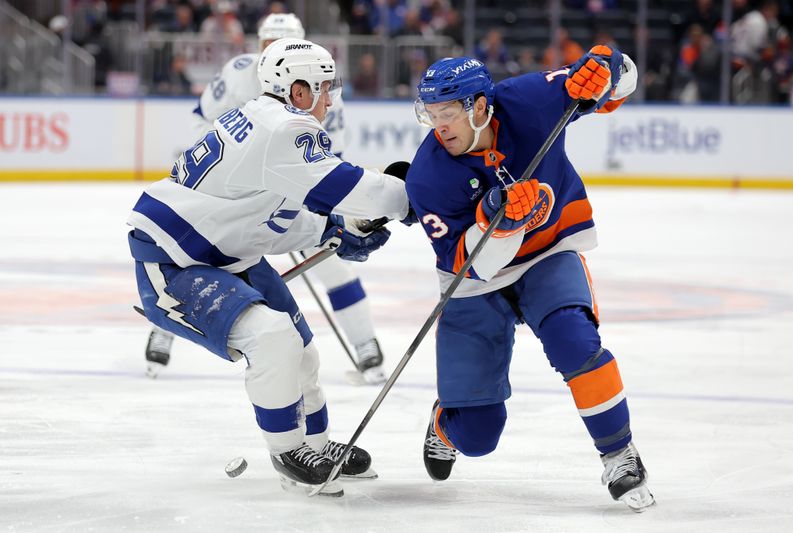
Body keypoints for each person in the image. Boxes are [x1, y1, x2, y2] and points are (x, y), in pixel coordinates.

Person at [127, 38, 411, 495]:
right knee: (273, 339)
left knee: (301, 351)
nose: (330, 97)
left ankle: (315, 445)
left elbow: (265, 217)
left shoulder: (263, 119)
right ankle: (287, 452)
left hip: (222, 250)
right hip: (174, 259)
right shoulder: (283, 129)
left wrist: (331, 230)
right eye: (323, 86)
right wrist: (411, 197)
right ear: (298, 91)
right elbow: (348, 186)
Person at [406, 48, 655, 511]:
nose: (439, 127)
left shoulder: (530, 99)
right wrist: (494, 225)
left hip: (549, 251)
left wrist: (610, 67)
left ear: (481, 105)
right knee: (478, 436)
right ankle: (444, 423)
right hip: (477, 283)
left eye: (448, 113)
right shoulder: (428, 176)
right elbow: (468, 264)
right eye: (431, 114)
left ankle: (620, 454)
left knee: (575, 341)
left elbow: (618, 89)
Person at [146, 12, 390, 385]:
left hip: (296, 192)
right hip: (237, 198)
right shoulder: (238, 71)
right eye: (267, 44)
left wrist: (318, 204)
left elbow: (329, 156)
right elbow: (202, 122)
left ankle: (365, 344)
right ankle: (165, 327)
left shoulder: (319, 87)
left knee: (334, 262)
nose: (272, 51)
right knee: (195, 262)